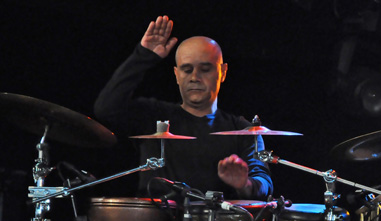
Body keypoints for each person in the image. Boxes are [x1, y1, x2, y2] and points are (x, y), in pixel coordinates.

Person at [94, 15, 273, 200]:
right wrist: (143, 55)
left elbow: (264, 184)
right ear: (176, 75)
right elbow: (106, 108)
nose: (194, 77)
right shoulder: (153, 115)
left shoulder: (244, 130)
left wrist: (244, 184)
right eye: (187, 70)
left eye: (205, 69)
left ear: (223, 72)